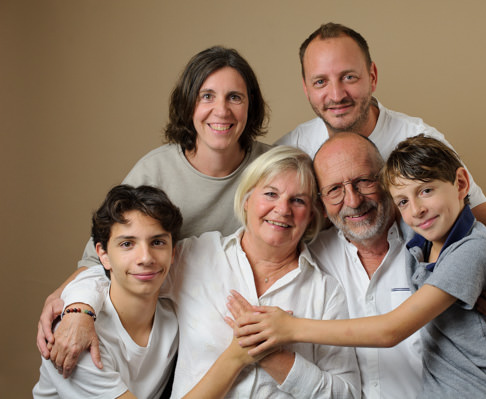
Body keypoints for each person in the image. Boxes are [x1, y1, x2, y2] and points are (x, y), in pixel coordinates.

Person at [232, 133, 486, 398]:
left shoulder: (446, 245)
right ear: (320, 202)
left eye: (364, 181)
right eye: (335, 189)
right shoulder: (311, 260)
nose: (352, 200)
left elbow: (391, 330)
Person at [276, 22, 486, 325]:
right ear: (306, 88)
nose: (336, 94)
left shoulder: (418, 138)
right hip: (341, 298)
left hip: (419, 298)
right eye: (320, 82)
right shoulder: (292, 150)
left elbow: (485, 218)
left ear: (372, 76)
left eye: (349, 77)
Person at [37, 46, 273, 375]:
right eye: (207, 96)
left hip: (239, 325)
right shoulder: (156, 170)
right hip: (164, 332)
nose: (221, 110)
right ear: (188, 103)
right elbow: (101, 257)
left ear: (251, 105)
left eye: (235, 97)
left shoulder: (272, 169)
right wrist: (74, 307)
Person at [55, 146, 361, 398]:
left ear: (312, 216)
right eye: (270, 194)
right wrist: (79, 310)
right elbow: (121, 274)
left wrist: (274, 355)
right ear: (246, 198)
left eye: (298, 200)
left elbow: (348, 394)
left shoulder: (326, 292)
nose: (282, 209)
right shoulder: (196, 255)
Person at [33, 185, 181, 398]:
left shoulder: (172, 314)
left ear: (173, 252)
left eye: (157, 242)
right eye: (127, 244)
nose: (146, 258)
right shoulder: (75, 337)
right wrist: (234, 358)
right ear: (103, 255)